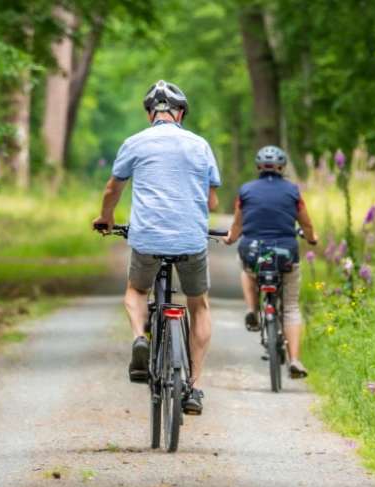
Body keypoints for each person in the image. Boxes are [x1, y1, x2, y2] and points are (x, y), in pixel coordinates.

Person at [92, 80, 221, 415]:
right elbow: (212, 199)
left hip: (147, 237)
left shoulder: (134, 143)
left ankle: (139, 337)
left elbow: (112, 189)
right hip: (191, 239)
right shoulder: (199, 145)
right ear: (180, 113)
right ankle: (194, 387)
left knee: (136, 290)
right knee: (200, 304)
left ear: (151, 114)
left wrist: (106, 218)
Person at [223, 145, 317, 379]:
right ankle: (295, 359)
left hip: (253, 252)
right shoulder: (293, 191)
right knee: (292, 307)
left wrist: (231, 238)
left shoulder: (245, 191)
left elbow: (237, 225)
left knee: (246, 268)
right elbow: (306, 225)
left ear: (258, 167)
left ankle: (252, 309)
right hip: (286, 253)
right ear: (282, 167)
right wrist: (313, 238)